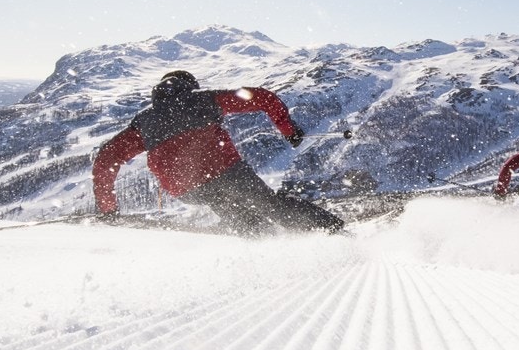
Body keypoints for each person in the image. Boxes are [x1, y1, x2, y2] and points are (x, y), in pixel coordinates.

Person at [92, 70, 344, 235]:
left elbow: (105, 161)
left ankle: (266, 246)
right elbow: (263, 97)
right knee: (271, 205)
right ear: (189, 87)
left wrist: (108, 209)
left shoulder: (143, 123)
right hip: (226, 171)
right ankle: (335, 232)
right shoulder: (203, 99)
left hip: (186, 189)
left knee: (233, 211)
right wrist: (288, 130)